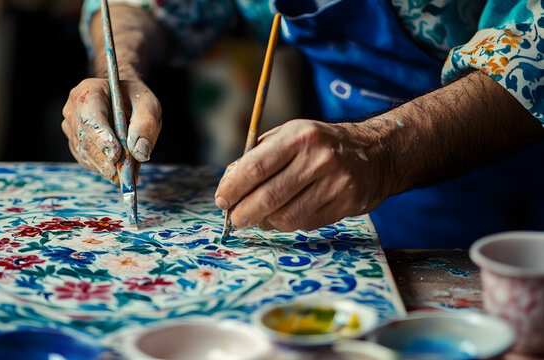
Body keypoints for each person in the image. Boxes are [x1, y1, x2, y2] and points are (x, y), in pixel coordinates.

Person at [62, 0, 544, 248]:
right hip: (353, 228)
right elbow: (143, 7)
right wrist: (118, 67)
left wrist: (379, 151)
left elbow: (534, 56)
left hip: (515, 218)